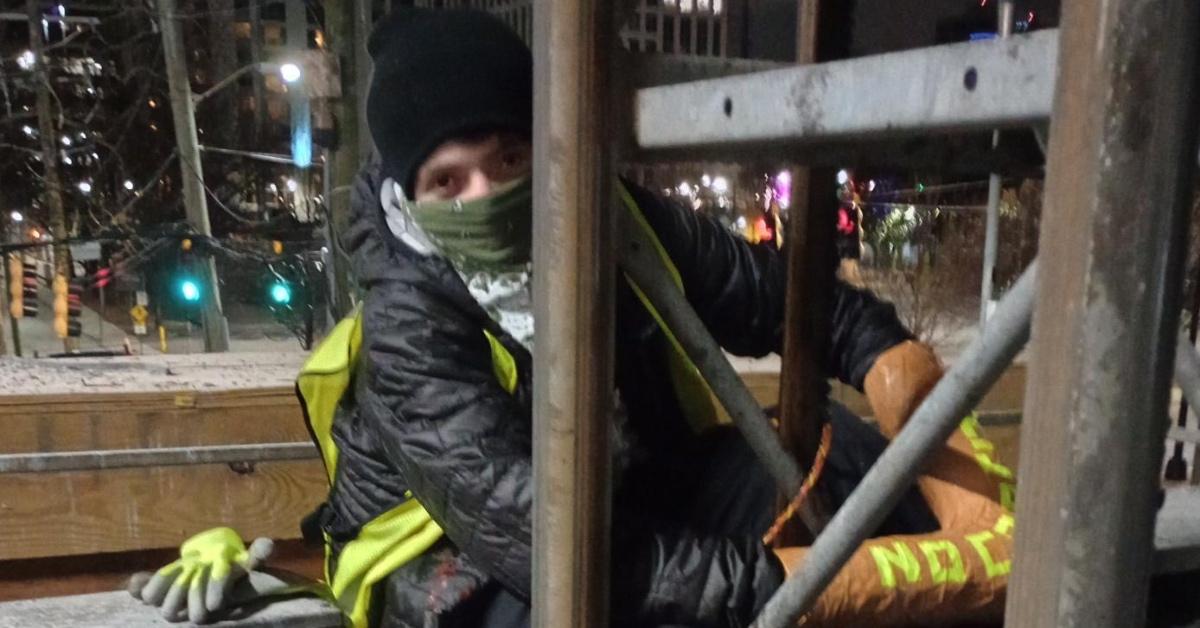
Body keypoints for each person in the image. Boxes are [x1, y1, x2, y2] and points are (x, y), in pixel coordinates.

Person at [131, 8, 1013, 628]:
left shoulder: (616, 222)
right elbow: (572, 560)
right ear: (409, 193)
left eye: (510, 157)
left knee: (854, 469)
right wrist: (841, 584)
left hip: (628, 486)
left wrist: (941, 453)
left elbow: (804, 308)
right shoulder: (410, 324)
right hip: (460, 570)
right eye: (449, 180)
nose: (486, 195)